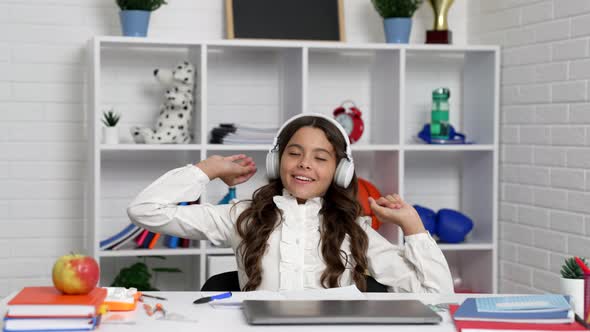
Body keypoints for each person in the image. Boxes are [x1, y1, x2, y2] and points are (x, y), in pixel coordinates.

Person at [127, 113, 454, 293]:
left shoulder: (354, 230)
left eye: (320, 157)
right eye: (294, 153)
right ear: (277, 161)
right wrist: (208, 169)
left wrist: (413, 227)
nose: (304, 164)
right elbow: (145, 211)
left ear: (340, 172)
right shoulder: (242, 215)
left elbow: (436, 295)